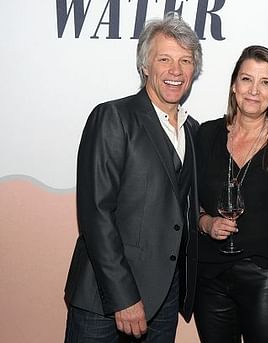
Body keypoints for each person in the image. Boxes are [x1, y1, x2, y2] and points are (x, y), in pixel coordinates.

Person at [64, 13, 202, 342]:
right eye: (164, 59)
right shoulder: (113, 117)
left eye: (185, 60)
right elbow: (96, 214)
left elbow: (181, 211)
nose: (175, 71)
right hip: (106, 301)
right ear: (145, 66)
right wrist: (124, 298)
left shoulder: (194, 131)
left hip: (165, 299)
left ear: (194, 71)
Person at [194, 45, 268, 343]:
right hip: (210, 276)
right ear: (233, 85)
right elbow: (188, 201)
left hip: (264, 276)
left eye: (265, 82)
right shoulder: (206, 135)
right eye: (246, 79)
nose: (254, 90)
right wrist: (205, 223)